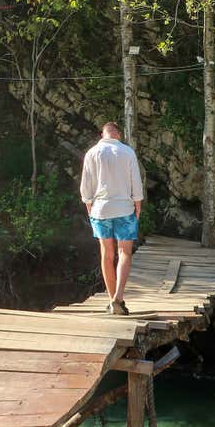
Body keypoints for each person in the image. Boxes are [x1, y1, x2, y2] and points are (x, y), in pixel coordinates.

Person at [80, 121, 143, 315]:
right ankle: (118, 298)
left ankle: (111, 300)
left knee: (107, 254)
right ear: (118, 135)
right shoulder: (127, 152)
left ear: (103, 134)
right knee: (124, 253)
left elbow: (86, 185)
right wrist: (137, 205)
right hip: (124, 209)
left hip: (100, 210)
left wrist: (89, 208)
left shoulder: (91, 153)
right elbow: (136, 182)